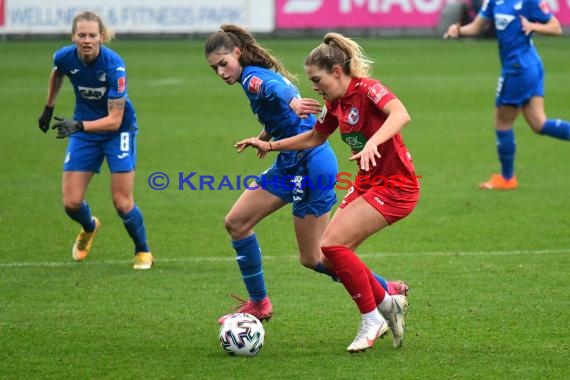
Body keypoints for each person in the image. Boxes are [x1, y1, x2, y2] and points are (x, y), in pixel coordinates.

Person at [204, 25, 409, 326]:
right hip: (289, 163)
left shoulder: (253, 77)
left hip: (309, 166)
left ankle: (384, 290)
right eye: (214, 69)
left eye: (223, 63)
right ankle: (259, 304)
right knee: (236, 222)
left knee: (316, 258)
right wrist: (265, 137)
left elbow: (280, 91)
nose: (221, 72)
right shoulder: (253, 75)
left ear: (238, 53)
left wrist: (294, 103)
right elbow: (278, 113)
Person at [37, 11, 153, 269]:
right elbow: (57, 74)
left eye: (92, 35)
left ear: (101, 37)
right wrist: (48, 108)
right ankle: (89, 227)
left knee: (123, 203)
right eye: (81, 35)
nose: (87, 40)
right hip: (85, 132)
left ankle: (142, 250)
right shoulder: (64, 56)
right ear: (73, 37)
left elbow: (114, 119)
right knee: (71, 203)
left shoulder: (114, 66)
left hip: (118, 132)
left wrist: (78, 125)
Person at [444, 0, 569, 190]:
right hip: (525, 66)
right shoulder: (494, 2)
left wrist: (533, 26)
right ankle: (507, 178)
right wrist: (459, 30)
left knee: (502, 123)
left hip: (520, 68)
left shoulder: (529, 2)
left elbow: (556, 27)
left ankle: (507, 178)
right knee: (539, 123)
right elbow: (477, 27)